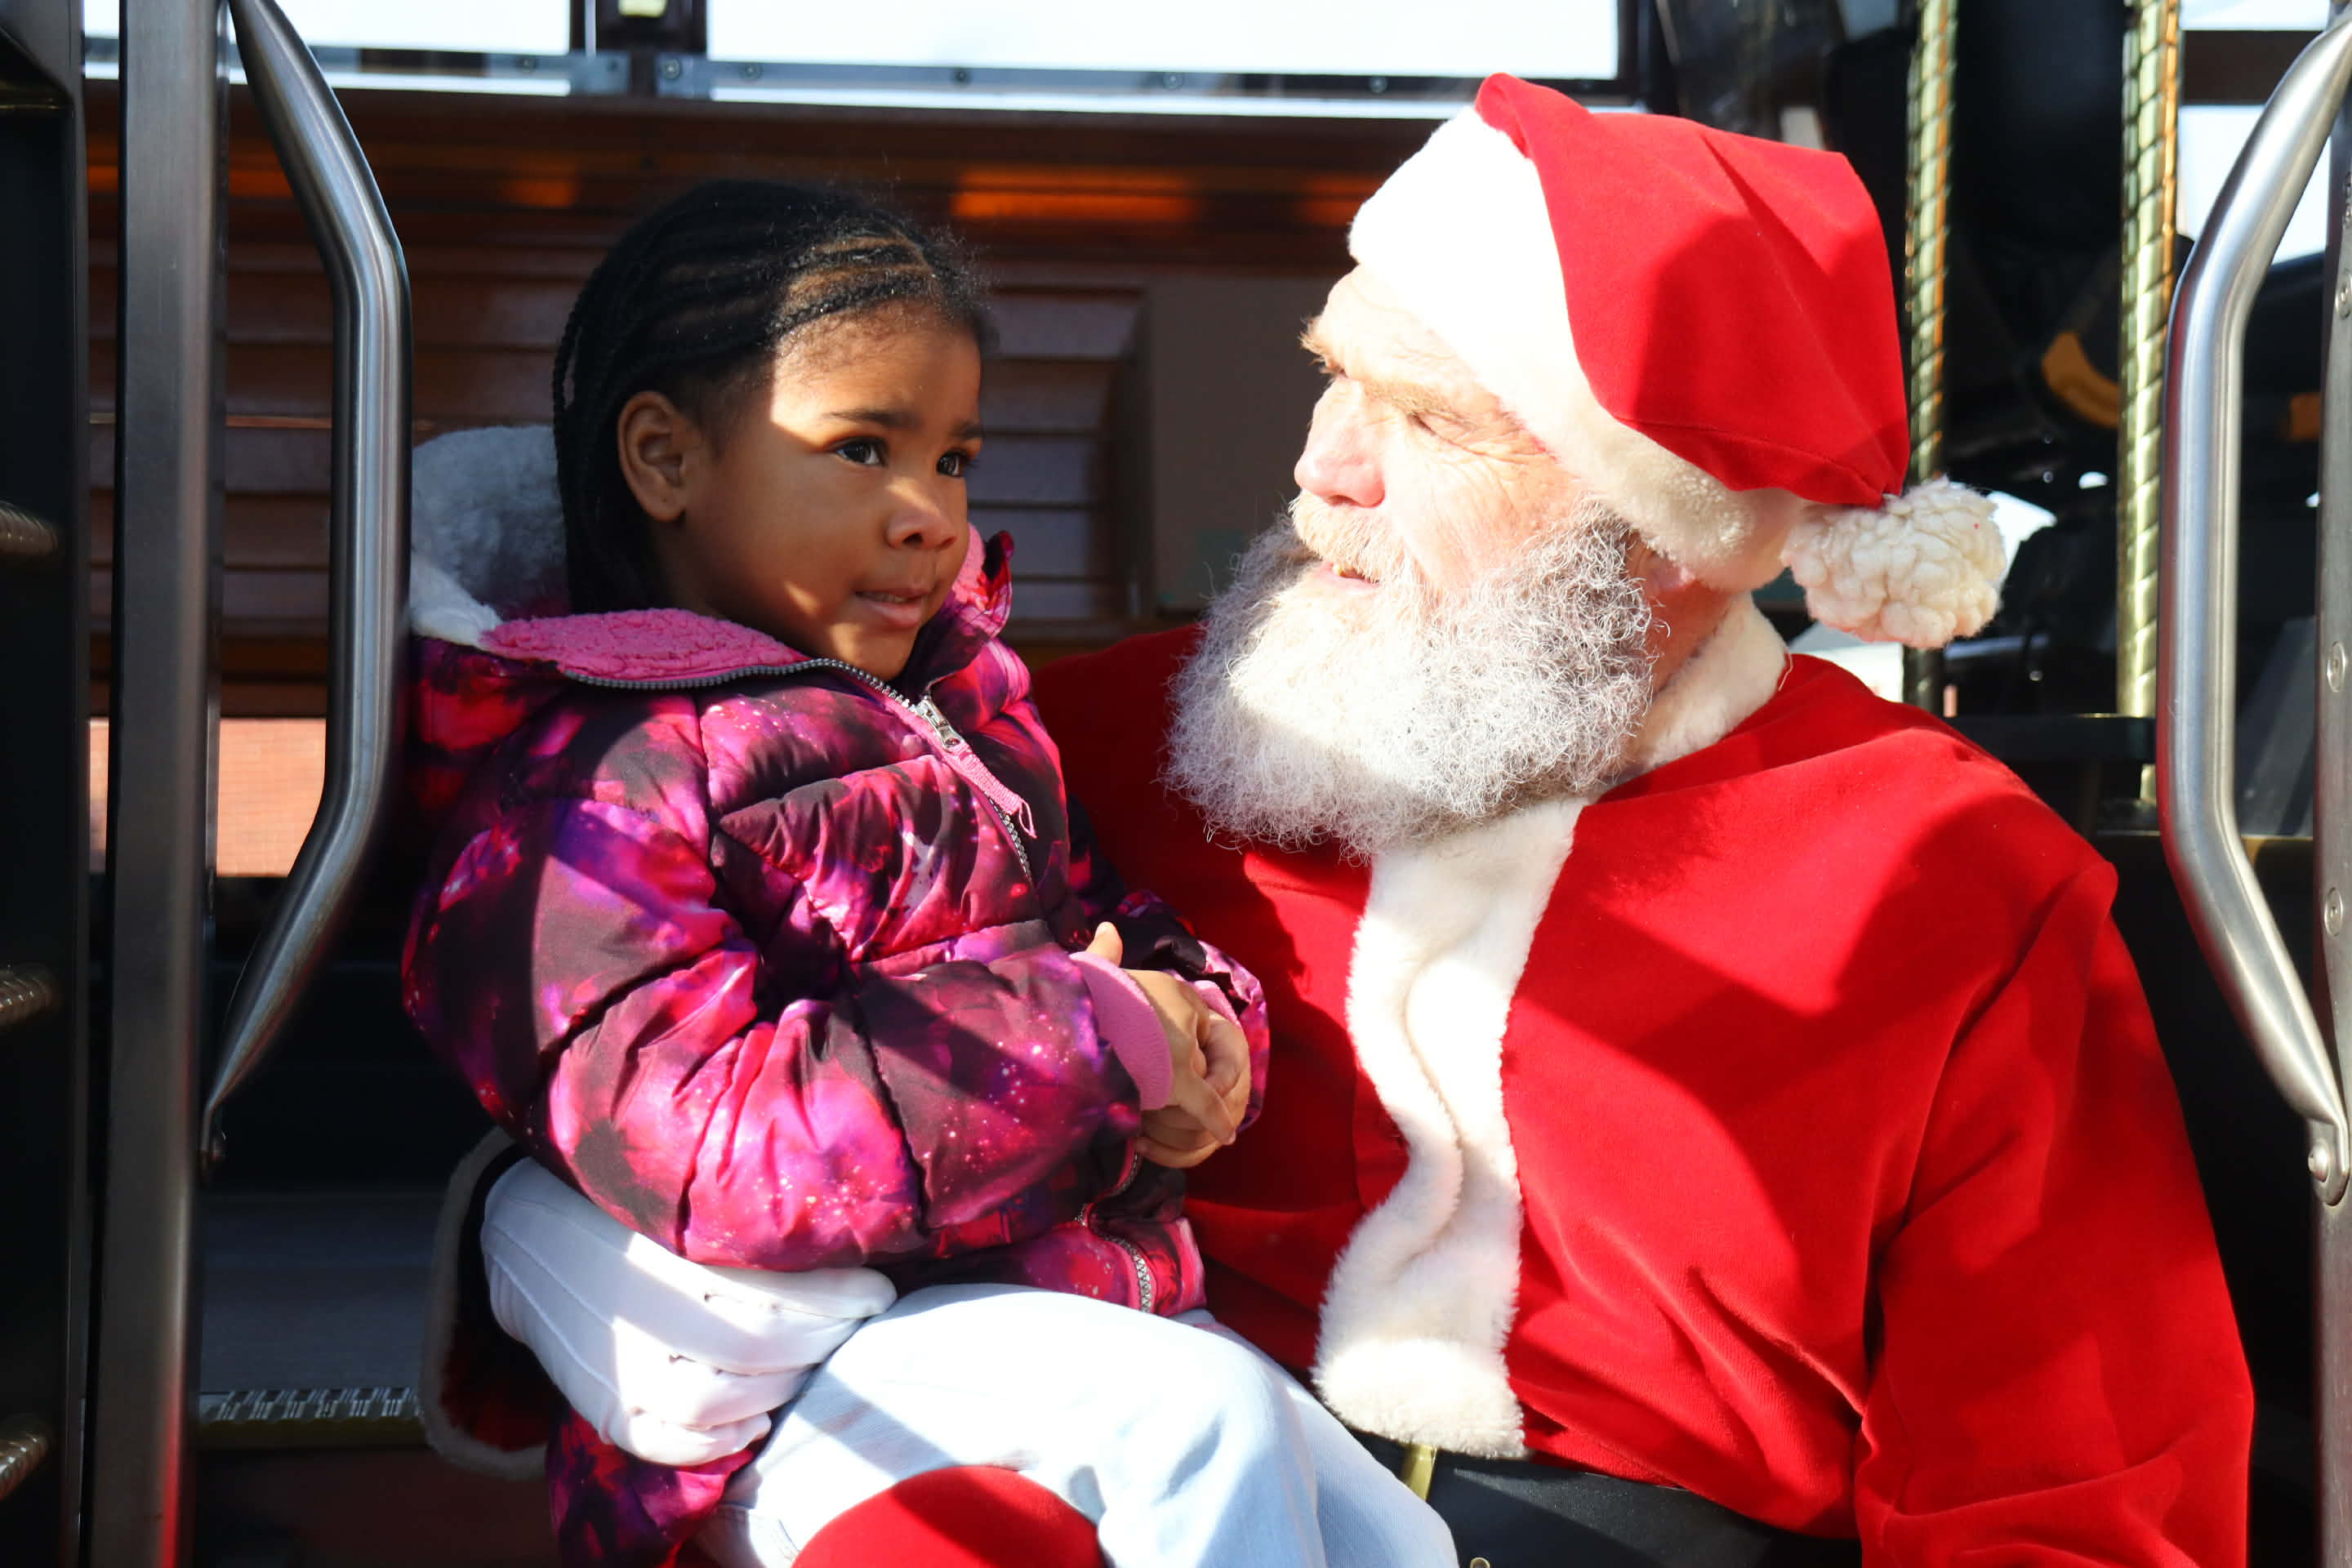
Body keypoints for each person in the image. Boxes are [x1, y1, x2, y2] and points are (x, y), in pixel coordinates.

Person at [423, 82, 2256, 1566]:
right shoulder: (1097, 739)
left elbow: (2073, 1497)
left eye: (1430, 423)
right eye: (1333, 371)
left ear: (1680, 542)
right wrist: (550, 1238)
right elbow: (650, 1006)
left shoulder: (1954, 882)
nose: (1320, 469)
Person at [397, 179, 1457, 1568]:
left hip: (1046, 1302)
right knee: (1204, 1429)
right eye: (861, 449)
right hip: (799, 1378)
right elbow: (705, 1146)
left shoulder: (961, 713)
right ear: (664, 459)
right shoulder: (590, 781)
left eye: (952, 459)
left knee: (1388, 1528)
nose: (929, 515)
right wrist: (1095, 1042)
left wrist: (1200, 1032)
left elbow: (1102, 930)